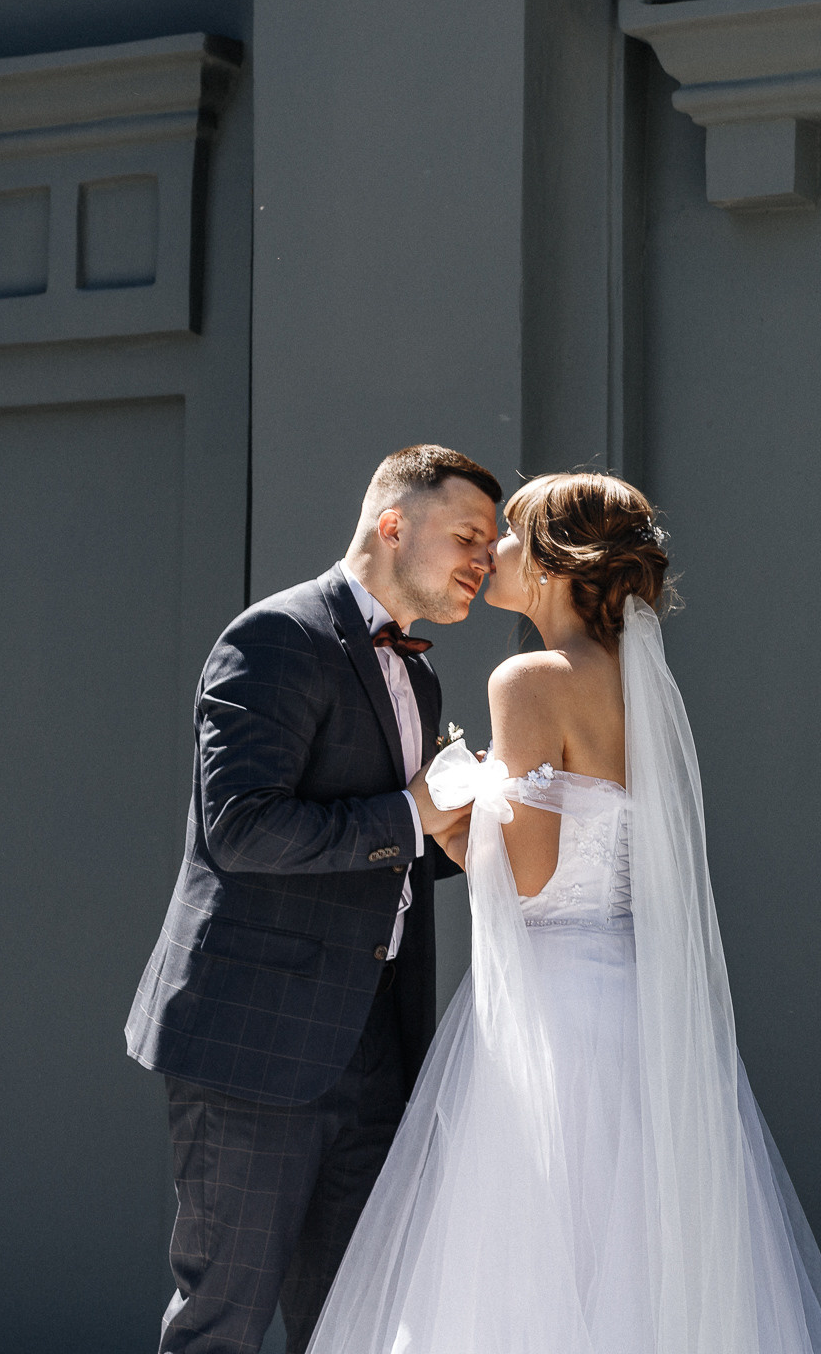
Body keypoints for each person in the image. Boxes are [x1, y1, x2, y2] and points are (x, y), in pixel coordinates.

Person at [306, 472, 821, 1354]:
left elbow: (527, 880)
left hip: (552, 1012)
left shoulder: (530, 679)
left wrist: (454, 805)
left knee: (529, 1271)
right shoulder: (641, 689)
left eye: (510, 536)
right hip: (637, 1008)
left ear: (557, 563)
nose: (492, 554)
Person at [125, 445, 502, 1354]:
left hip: (375, 1050)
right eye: (468, 538)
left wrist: (454, 837)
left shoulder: (419, 673)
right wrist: (413, 815)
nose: (484, 565)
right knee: (223, 1325)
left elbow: (388, 848)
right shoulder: (273, 638)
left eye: (491, 549)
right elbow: (244, 829)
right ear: (392, 524)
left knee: (354, 1328)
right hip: (258, 1046)